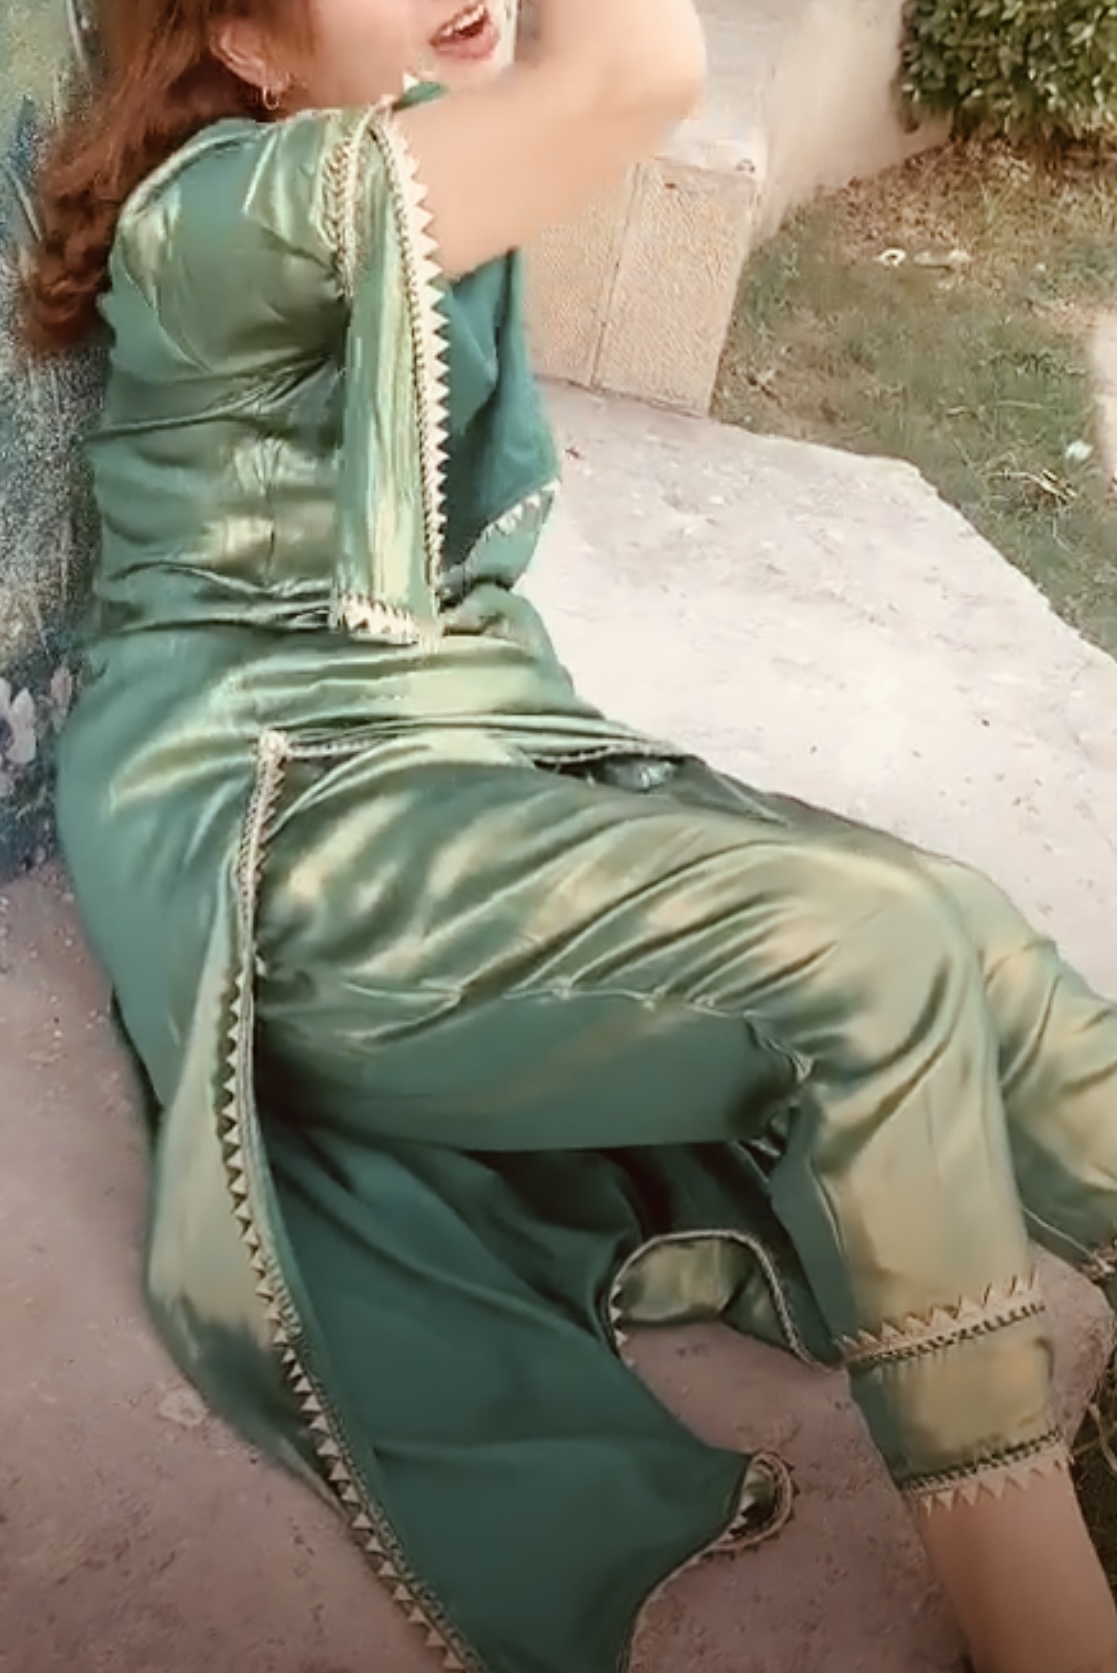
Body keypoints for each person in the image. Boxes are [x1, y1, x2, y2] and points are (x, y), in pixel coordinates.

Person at [19, 1, 1117, 1669]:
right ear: (247, 47)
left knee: (956, 924)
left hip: (467, 766)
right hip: (290, 826)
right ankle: (1043, 1623)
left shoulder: (419, 186)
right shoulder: (225, 214)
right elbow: (634, 71)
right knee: (870, 952)